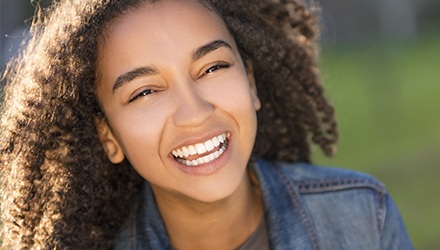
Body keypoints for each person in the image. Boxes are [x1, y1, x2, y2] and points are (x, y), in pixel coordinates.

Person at [0, 0, 413, 249]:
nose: (195, 112)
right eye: (144, 92)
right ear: (109, 136)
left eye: (212, 66)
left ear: (250, 83)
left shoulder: (361, 216)